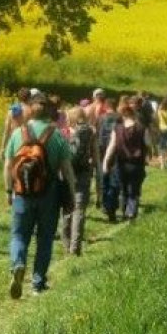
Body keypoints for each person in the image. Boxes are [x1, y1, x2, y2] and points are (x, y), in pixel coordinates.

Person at [4, 91, 76, 298]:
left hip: (22, 194)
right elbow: (67, 170)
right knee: (45, 238)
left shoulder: (19, 133)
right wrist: (71, 194)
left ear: (31, 111)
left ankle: (18, 263)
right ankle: (38, 283)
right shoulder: (57, 136)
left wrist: (9, 190)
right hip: (49, 194)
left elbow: (9, 165)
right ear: (49, 112)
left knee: (19, 234)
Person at [102, 97, 151, 220]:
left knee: (123, 188)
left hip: (121, 163)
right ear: (133, 115)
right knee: (133, 190)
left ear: (123, 115)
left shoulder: (117, 129)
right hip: (137, 164)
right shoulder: (142, 128)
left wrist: (105, 162)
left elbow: (111, 146)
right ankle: (130, 212)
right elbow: (148, 143)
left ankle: (124, 210)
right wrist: (150, 154)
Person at [60, 102, 96, 255]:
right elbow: (94, 152)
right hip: (83, 173)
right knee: (79, 209)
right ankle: (75, 247)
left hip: (67, 174)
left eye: (68, 117)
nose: (66, 120)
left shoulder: (66, 133)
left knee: (67, 210)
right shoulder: (90, 131)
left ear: (72, 118)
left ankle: (68, 244)